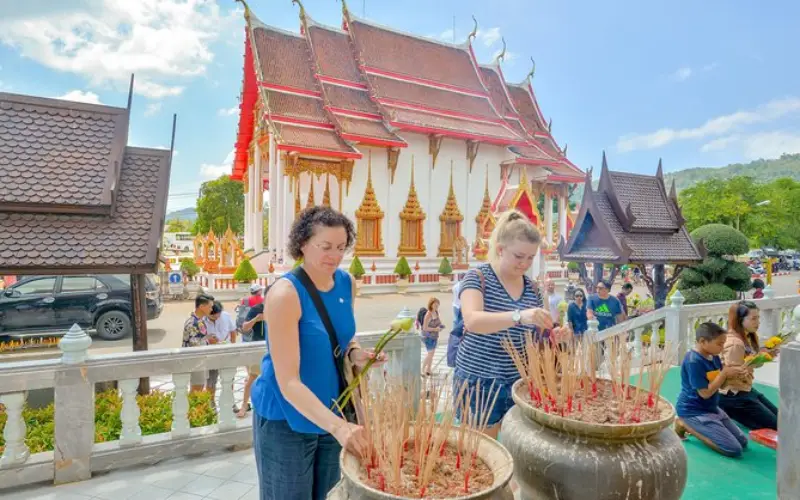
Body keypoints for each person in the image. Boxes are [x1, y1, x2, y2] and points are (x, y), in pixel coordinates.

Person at [250, 207, 385, 499]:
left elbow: (344, 339)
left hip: (331, 410)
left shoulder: (346, 283)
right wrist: (340, 428)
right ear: (302, 245)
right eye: (325, 247)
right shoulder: (285, 294)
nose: (334, 256)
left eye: (341, 247)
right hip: (286, 419)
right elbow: (288, 382)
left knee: (327, 494)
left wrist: (355, 355)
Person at [456, 210, 555, 438]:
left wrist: (555, 333)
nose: (525, 264)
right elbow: (472, 321)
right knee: (481, 452)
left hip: (518, 382)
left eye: (531, 258)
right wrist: (519, 315)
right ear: (501, 249)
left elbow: (539, 332)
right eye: (519, 256)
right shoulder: (477, 277)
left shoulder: (533, 288)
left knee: (515, 449)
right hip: (479, 381)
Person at [674, 322, 749, 457]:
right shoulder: (694, 361)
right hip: (693, 410)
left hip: (711, 407)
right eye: (719, 344)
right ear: (703, 341)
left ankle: (699, 425)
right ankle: (684, 424)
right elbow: (705, 393)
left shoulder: (713, 356)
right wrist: (724, 373)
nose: (722, 347)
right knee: (733, 450)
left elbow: (719, 383)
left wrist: (735, 375)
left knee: (743, 442)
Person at [718, 301, 779, 430]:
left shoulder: (748, 337)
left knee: (782, 417)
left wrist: (765, 356)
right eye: (753, 319)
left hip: (746, 389)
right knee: (778, 425)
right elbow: (732, 375)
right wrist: (752, 363)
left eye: (758, 318)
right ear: (740, 320)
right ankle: (724, 410)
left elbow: (751, 365)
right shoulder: (735, 343)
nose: (758, 322)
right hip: (733, 396)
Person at [238, 291, 267, 419]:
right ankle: (244, 404)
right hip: (258, 347)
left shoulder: (280, 307)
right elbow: (244, 328)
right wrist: (256, 319)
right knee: (253, 377)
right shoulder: (257, 309)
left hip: (275, 347)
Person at [183, 294, 216, 393]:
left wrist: (207, 338)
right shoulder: (194, 323)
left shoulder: (199, 321)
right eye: (210, 307)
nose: (211, 309)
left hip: (200, 360)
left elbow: (198, 338)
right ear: (201, 307)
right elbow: (194, 345)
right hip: (196, 361)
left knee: (199, 387)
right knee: (196, 390)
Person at [205, 301, 237, 402]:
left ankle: (230, 402)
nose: (216, 318)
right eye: (213, 317)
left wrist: (232, 345)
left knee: (229, 379)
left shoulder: (225, 316)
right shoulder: (203, 321)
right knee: (211, 381)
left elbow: (233, 331)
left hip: (226, 352)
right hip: (211, 355)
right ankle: (211, 404)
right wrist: (208, 339)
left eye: (218, 315)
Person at [421, 297, 445, 376]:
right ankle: (422, 369)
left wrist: (441, 326)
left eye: (437, 304)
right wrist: (435, 329)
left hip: (434, 336)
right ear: (431, 305)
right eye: (435, 304)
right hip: (428, 337)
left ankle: (428, 370)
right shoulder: (428, 314)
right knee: (430, 354)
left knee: (432, 354)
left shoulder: (436, 312)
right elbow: (425, 328)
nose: (436, 306)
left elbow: (439, 322)